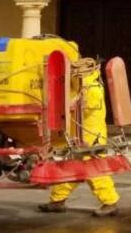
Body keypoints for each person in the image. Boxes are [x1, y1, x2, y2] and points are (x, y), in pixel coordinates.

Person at [38, 57, 121, 216]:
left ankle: (110, 202)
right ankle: (57, 200)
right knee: (70, 169)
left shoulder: (92, 88)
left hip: (91, 137)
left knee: (95, 170)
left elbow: (83, 108)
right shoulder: (81, 86)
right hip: (79, 137)